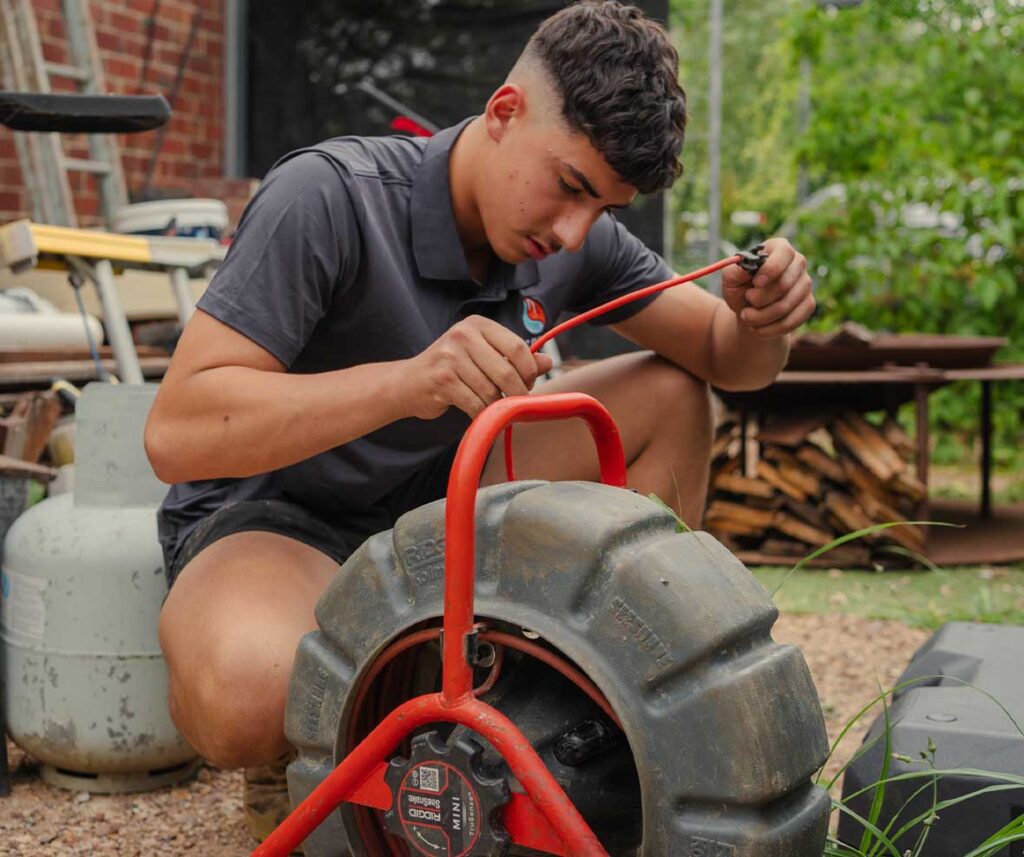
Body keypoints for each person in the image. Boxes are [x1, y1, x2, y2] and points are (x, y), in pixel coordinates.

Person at [145, 0, 814, 839]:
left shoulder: (571, 236)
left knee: (672, 394)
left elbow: (724, 358)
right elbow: (177, 431)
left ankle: (590, 716)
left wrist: (764, 319)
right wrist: (409, 382)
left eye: (606, 207)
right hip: (282, 518)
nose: (576, 231)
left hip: (443, 502)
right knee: (246, 697)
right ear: (503, 111)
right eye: (571, 186)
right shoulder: (328, 196)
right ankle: (327, 729)